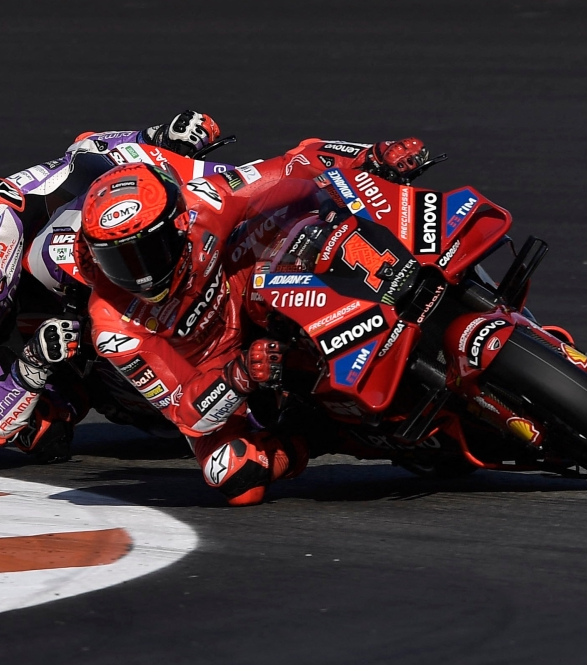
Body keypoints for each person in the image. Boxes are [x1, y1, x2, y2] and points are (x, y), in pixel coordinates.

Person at [74, 136, 429, 503]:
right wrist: (238, 375)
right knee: (236, 476)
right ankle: (321, 434)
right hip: (216, 371)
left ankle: (405, 268)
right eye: (118, 260)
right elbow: (184, 413)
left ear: (179, 224)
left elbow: (294, 164)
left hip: (245, 287)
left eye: (147, 251)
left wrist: (372, 156)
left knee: (308, 211)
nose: (140, 274)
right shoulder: (112, 326)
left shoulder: (206, 201)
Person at [0, 112, 221, 462]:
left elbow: (84, 154)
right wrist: (33, 364)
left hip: (50, 292)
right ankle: (113, 385)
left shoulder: (1, 201)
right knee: (40, 433)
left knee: (74, 234)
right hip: (16, 348)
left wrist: (158, 138)